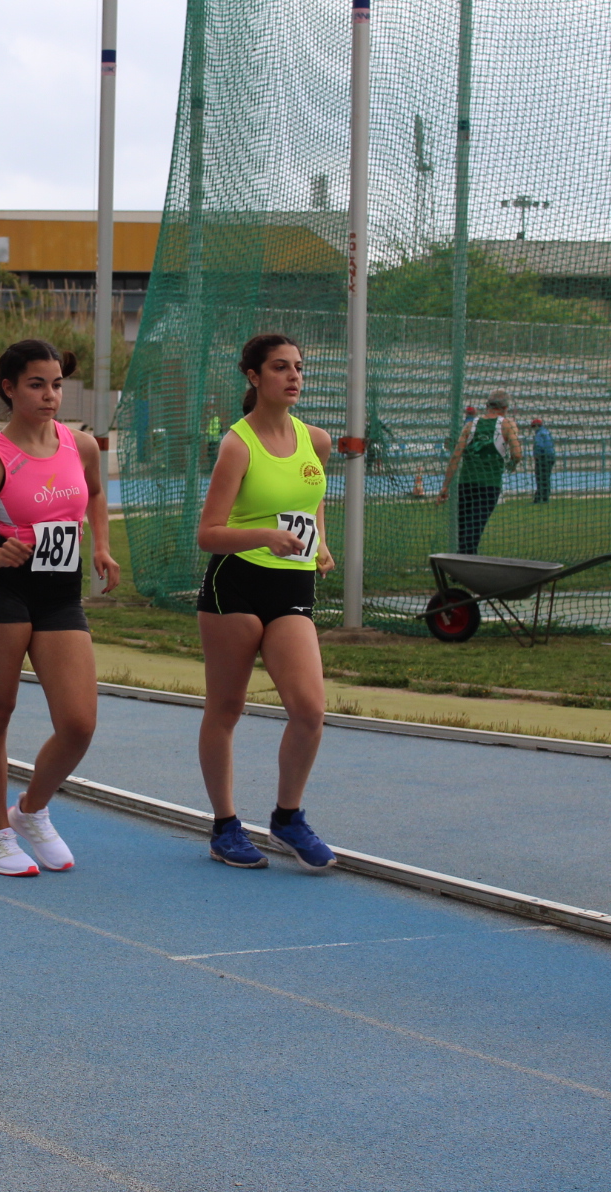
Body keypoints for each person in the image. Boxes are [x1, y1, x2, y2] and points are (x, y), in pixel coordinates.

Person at [0, 339, 118, 876]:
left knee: (79, 723)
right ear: (10, 388)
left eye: (57, 385)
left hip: (60, 592)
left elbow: (95, 494)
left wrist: (101, 545)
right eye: (36, 385)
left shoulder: (81, 445)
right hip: (4, 590)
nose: (50, 395)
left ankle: (31, 810)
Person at [195, 333, 338, 872]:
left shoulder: (316, 441)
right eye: (280, 367)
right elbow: (208, 534)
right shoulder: (238, 445)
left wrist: (320, 541)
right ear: (254, 377)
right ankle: (225, 826)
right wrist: (265, 537)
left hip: (293, 588)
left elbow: (311, 500)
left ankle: (288, 817)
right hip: (236, 584)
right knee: (226, 709)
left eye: (298, 367)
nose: (294, 376)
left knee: (310, 709)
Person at [440, 389, 521, 554]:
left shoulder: (470, 425)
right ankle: (465, 561)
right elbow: (517, 454)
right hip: (489, 484)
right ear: (505, 408)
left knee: (464, 528)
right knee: (475, 527)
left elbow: (455, 457)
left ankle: (462, 560)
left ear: (486, 405)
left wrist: (445, 487)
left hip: (466, 483)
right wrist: (512, 464)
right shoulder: (507, 424)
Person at [530, 417, 555, 503]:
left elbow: (539, 445)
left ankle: (538, 498)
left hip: (543, 457)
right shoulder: (547, 432)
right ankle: (545, 497)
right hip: (551, 456)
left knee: (540, 478)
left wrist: (536, 455)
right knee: (546, 478)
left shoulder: (539, 434)